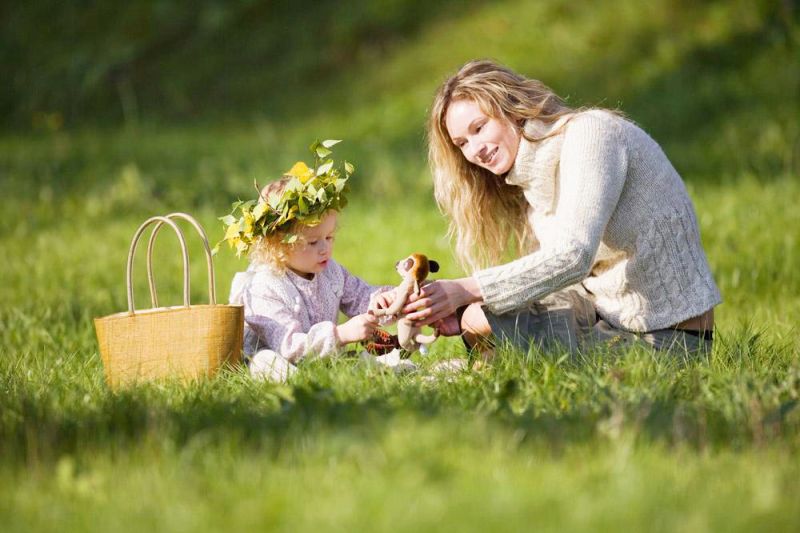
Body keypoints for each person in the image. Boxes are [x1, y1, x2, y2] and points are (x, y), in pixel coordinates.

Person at [405, 59, 721, 357]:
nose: (475, 150)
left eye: (479, 128)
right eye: (462, 143)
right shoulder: (532, 180)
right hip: (606, 318)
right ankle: (477, 367)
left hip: (669, 340)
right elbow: (556, 279)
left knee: (483, 317)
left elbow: (573, 256)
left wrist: (465, 289)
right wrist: (458, 311)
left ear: (511, 109)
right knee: (477, 318)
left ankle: (479, 370)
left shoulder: (591, 134)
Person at [226, 146, 391, 381]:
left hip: (321, 356)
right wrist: (341, 334)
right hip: (280, 356)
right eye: (313, 242)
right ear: (278, 243)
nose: (325, 248)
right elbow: (288, 345)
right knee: (265, 362)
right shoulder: (264, 286)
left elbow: (361, 297)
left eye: (329, 237)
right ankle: (299, 383)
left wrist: (385, 301)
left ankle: (351, 371)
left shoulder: (330, 271)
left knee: (370, 357)